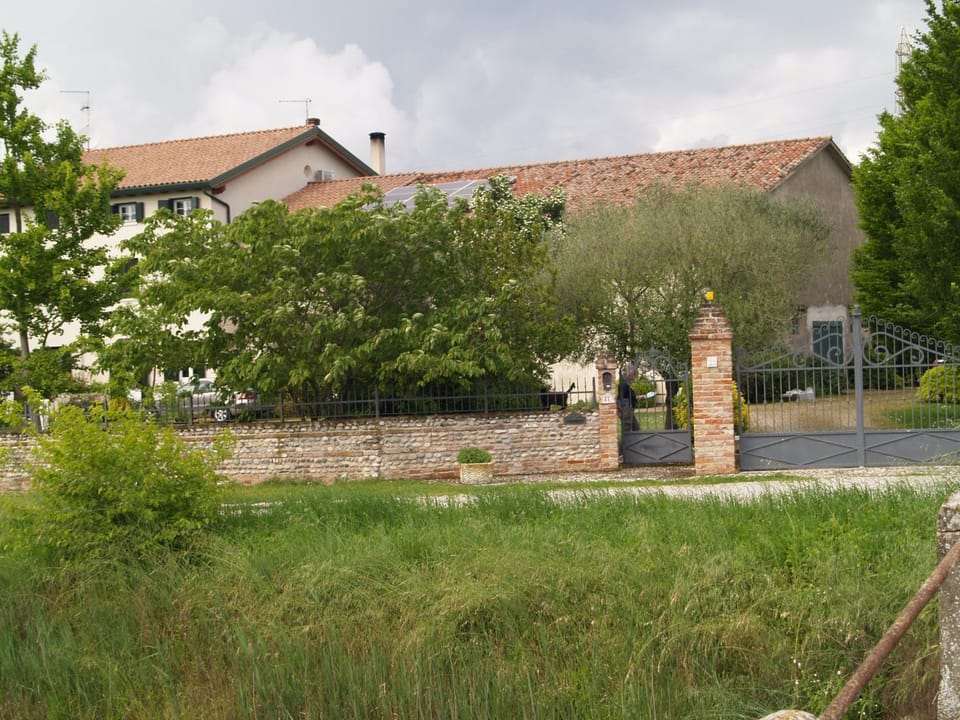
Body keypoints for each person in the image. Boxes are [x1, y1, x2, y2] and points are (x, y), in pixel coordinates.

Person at [618, 365, 640, 432]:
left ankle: (631, 440)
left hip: (628, 409)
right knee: (631, 428)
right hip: (626, 409)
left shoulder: (626, 384)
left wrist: (638, 397)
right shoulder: (624, 384)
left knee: (634, 428)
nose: (635, 378)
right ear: (631, 375)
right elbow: (622, 397)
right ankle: (628, 441)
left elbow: (629, 396)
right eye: (635, 376)